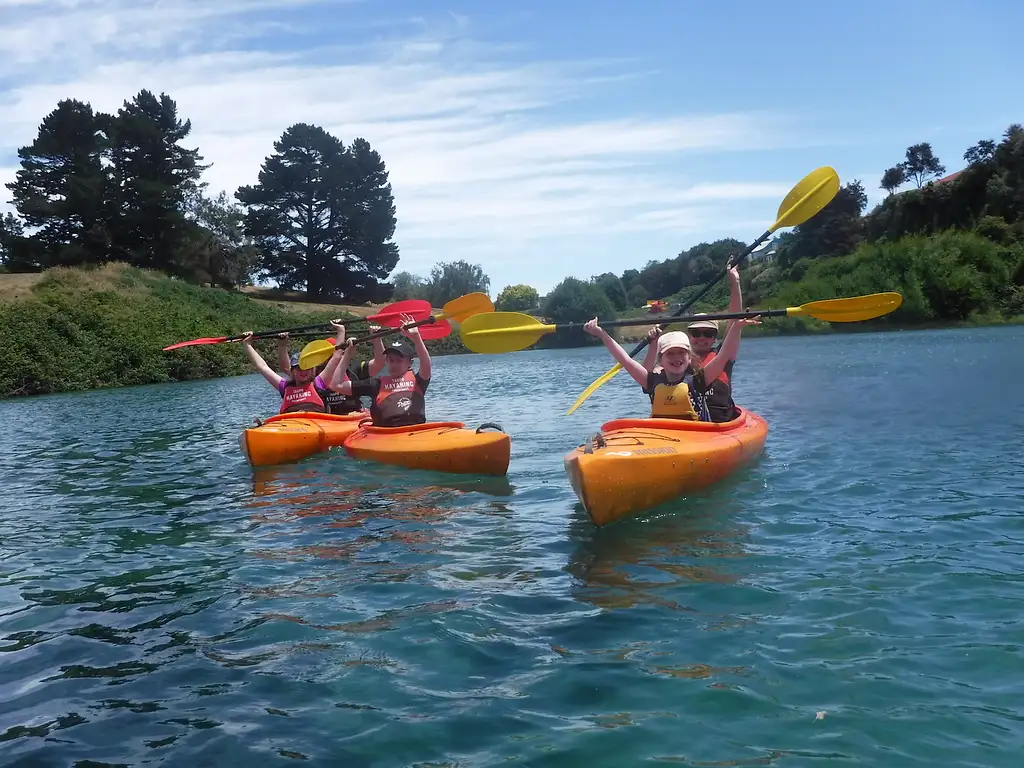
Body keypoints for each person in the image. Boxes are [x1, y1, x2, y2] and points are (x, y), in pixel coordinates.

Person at [642, 264, 757, 422]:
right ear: (689, 336)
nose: (701, 337)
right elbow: (648, 377)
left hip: (719, 423)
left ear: (715, 337)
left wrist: (735, 283)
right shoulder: (676, 360)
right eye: (696, 333)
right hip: (682, 424)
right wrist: (652, 344)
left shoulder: (722, 355)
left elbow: (734, 322)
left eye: (708, 333)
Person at [584, 314, 746, 421]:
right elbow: (624, 359)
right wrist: (601, 333)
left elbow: (724, 354)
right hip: (663, 436)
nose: (676, 358)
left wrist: (736, 327)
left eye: (681, 353)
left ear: (689, 358)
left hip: (696, 437)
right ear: (660, 359)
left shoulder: (699, 381)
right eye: (670, 354)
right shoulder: (651, 381)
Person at [330, 314, 431, 427]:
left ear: (410, 363)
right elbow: (336, 385)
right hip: (386, 435)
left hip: (416, 432)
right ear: (386, 361)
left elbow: (426, 363)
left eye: (399, 360)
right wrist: (347, 354)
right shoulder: (375, 384)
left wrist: (416, 337)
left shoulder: (419, 381)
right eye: (390, 360)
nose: (394, 364)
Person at [275, 324, 387, 415]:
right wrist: (282, 346)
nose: (330, 358)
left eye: (332, 354)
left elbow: (379, 363)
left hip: (352, 415)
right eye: (327, 355)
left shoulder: (355, 369)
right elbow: (288, 368)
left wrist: (377, 339)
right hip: (327, 419)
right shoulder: (316, 371)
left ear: (342, 353)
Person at [241, 320, 347, 414]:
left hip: (315, 424)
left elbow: (336, 357)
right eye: (298, 368)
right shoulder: (284, 386)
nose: (303, 371)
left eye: (307, 368)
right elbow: (262, 367)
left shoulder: (319, 383)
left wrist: (341, 330)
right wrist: (247, 345)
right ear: (292, 371)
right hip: (290, 425)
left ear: (313, 370)